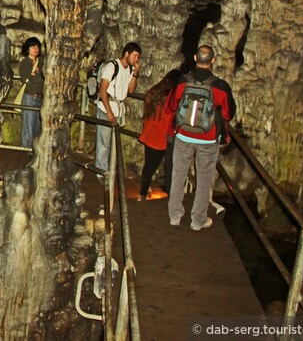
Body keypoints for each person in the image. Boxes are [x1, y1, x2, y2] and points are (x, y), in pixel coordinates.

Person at [165, 45, 236, 230]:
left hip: (183, 136)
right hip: (207, 139)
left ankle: (175, 216)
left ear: (195, 57)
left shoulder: (182, 81)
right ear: (213, 61)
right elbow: (229, 113)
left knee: (178, 175)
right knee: (204, 179)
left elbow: (172, 105)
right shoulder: (220, 86)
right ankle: (197, 221)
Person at [94, 42, 142, 174]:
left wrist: (135, 74)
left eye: (138, 57)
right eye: (135, 56)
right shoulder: (112, 66)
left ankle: (110, 168)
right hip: (106, 107)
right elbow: (103, 90)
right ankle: (101, 171)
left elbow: (131, 89)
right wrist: (109, 112)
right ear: (127, 53)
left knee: (114, 141)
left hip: (119, 109)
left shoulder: (129, 69)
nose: (136, 59)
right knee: (104, 142)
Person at [137, 69, 181, 200]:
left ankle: (145, 189)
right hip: (160, 139)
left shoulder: (154, 91)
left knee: (148, 165)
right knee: (150, 168)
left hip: (149, 133)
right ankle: (142, 194)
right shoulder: (171, 99)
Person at [17, 37, 44, 148]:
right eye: (33, 47)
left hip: (40, 97)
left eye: (37, 47)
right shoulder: (25, 63)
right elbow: (28, 79)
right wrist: (39, 78)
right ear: (27, 49)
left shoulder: (41, 62)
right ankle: (26, 149)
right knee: (28, 125)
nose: (35, 49)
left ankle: (35, 149)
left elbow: (41, 77)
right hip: (29, 97)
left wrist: (36, 77)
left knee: (38, 126)